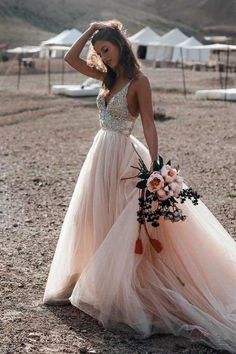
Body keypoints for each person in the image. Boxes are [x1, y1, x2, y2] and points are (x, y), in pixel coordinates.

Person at [43, 20, 236, 353]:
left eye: (106, 49)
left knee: (126, 222)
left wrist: (154, 168)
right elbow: (70, 60)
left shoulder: (138, 82)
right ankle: (94, 281)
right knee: (95, 216)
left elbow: (148, 124)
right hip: (99, 155)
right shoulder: (107, 77)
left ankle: (124, 290)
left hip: (123, 155)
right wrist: (90, 31)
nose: (103, 56)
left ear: (120, 44)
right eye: (99, 51)